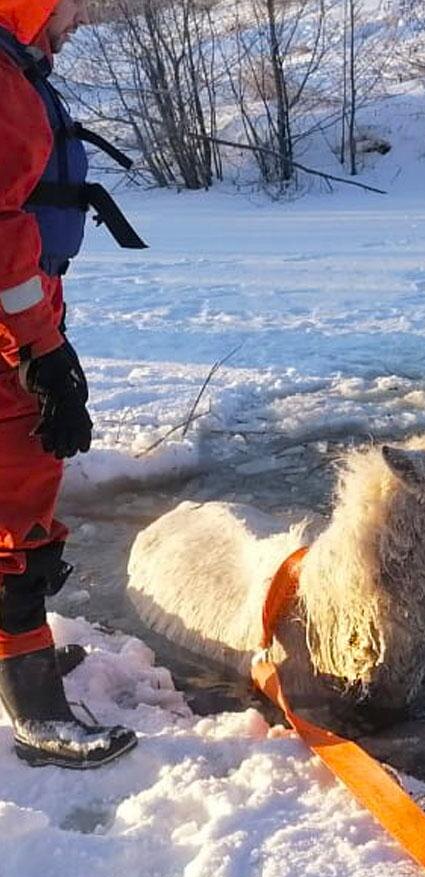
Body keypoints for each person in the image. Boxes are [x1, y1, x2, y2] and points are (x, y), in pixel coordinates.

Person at [0, 0, 145, 767]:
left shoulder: (17, 70)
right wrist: (41, 353)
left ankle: (18, 662)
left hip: (25, 305)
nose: (82, 18)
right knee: (17, 505)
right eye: (73, 4)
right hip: (9, 320)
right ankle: (34, 711)